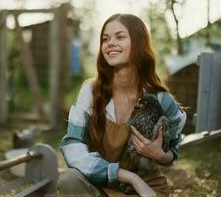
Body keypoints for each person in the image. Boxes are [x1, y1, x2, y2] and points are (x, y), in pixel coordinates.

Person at [57, 13, 186, 197]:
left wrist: (160, 155)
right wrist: (127, 176)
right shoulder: (91, 92)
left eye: (120, 37)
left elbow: (174, 146)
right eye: (105, 39)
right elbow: (72, 145)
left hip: (145, 191)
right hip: (101, 184)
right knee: (70, 180)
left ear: (138, 42)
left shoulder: (160, 99)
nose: (110, 43)